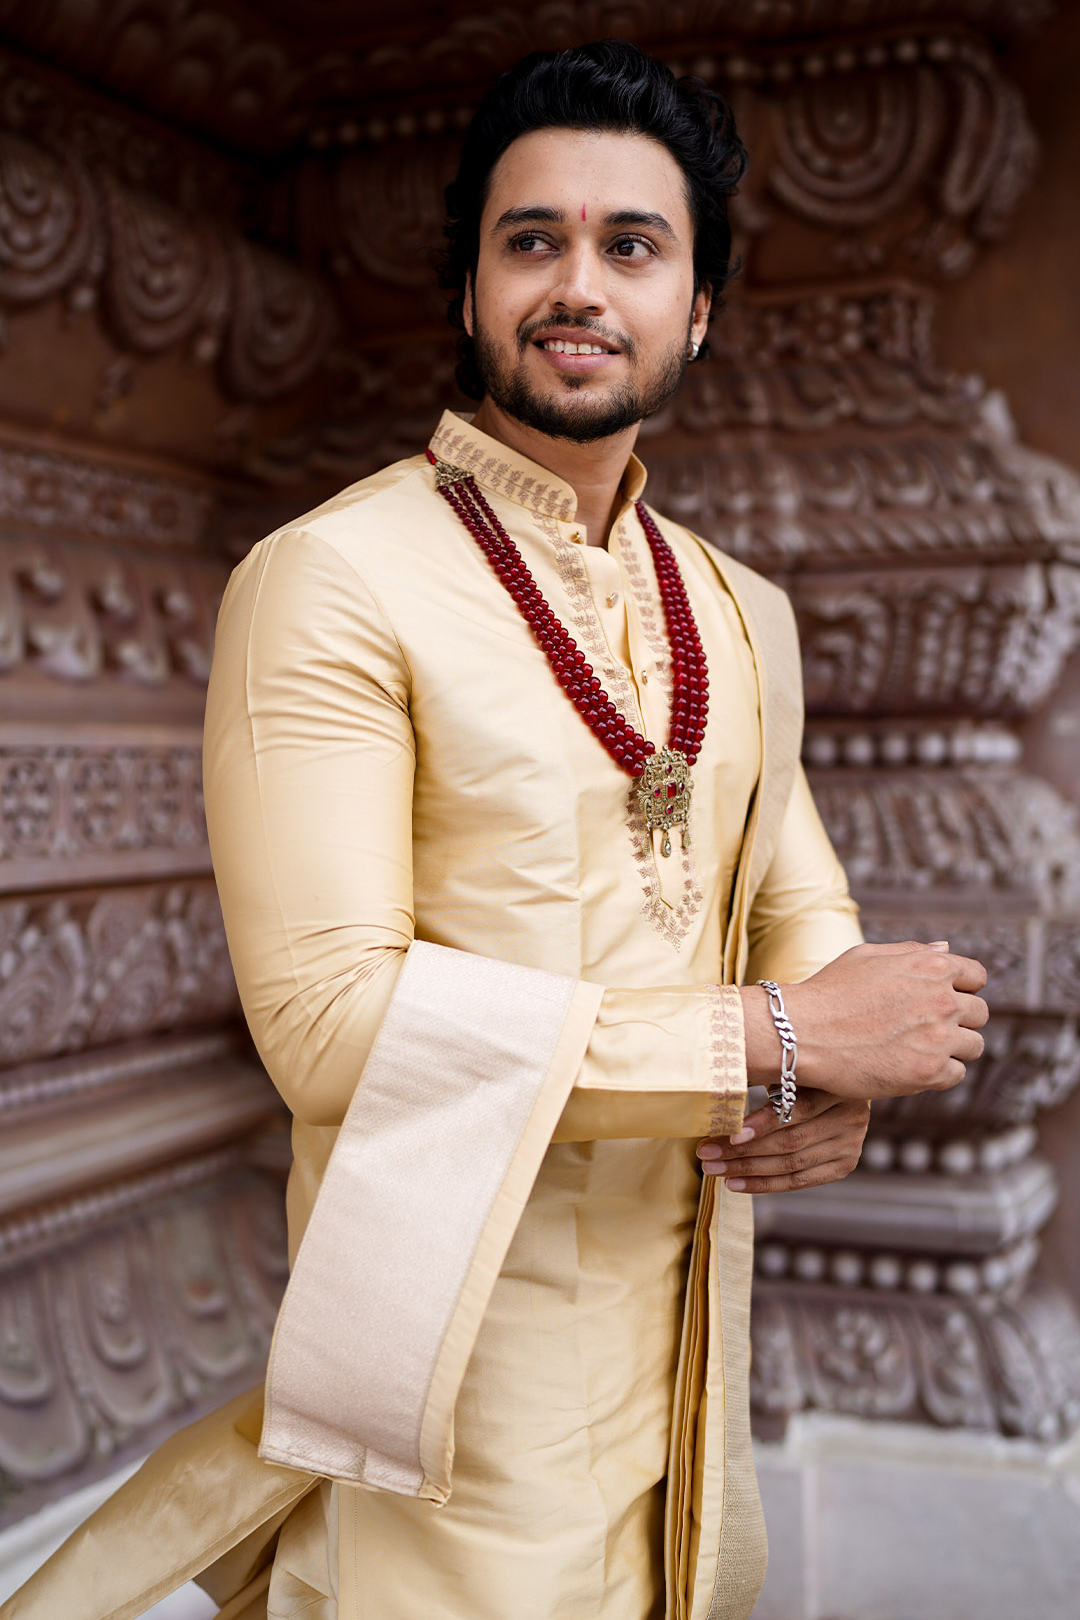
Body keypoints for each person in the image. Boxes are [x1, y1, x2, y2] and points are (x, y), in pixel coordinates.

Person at [3, 39, 988, 1620]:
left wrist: (833, 1065)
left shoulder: (743, 616)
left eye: (632, 245)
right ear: (468, 292)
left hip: (685, 1369)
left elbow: (794, 895)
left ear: (701, 309)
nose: (577, 284)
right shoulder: (333, 580)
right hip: (440, 1389)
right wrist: (775, 1038)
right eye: (531, 240)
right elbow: (328, 1021)